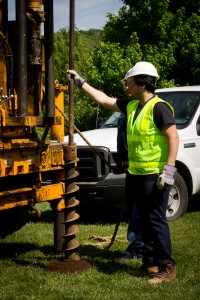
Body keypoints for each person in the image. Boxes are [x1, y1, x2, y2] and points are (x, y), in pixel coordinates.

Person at [67, 61, 179, 284]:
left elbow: (173, 138)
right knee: (142, 220)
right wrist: (81, 83)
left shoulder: (159, 107)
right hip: (136, 174)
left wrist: (168, 173)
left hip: (154, 174)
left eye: (129, 83)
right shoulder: (132, 106)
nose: (126, 87)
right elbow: (104, 99)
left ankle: (167, 268)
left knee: (155, 220)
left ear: (141, 82)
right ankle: (150, 264)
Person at [113, 109, 144, 262]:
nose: (127, 87)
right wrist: (122, 164)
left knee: (138, 210)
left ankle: (138, 249)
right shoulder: (126, 113)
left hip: (142, 170)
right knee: (135, 209)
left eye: (130, 83)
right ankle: (139, 246)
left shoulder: (140, 112)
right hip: (132, 168)